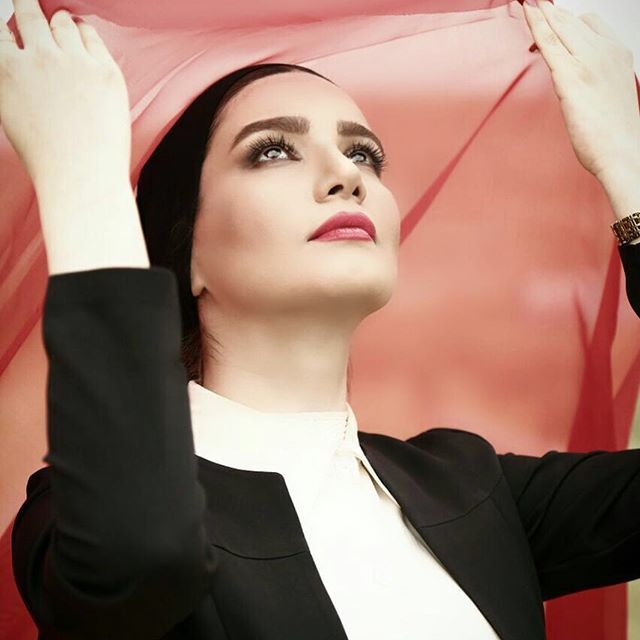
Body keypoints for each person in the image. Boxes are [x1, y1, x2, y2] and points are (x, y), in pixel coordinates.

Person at [2, 1, 640, 638]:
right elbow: (140, 558)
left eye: (365, 154)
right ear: (187, 249)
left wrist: (627, 159)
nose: (346, 176)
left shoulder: (472, 487)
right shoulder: (74, 515)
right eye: (273, 151)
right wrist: (84, 171)